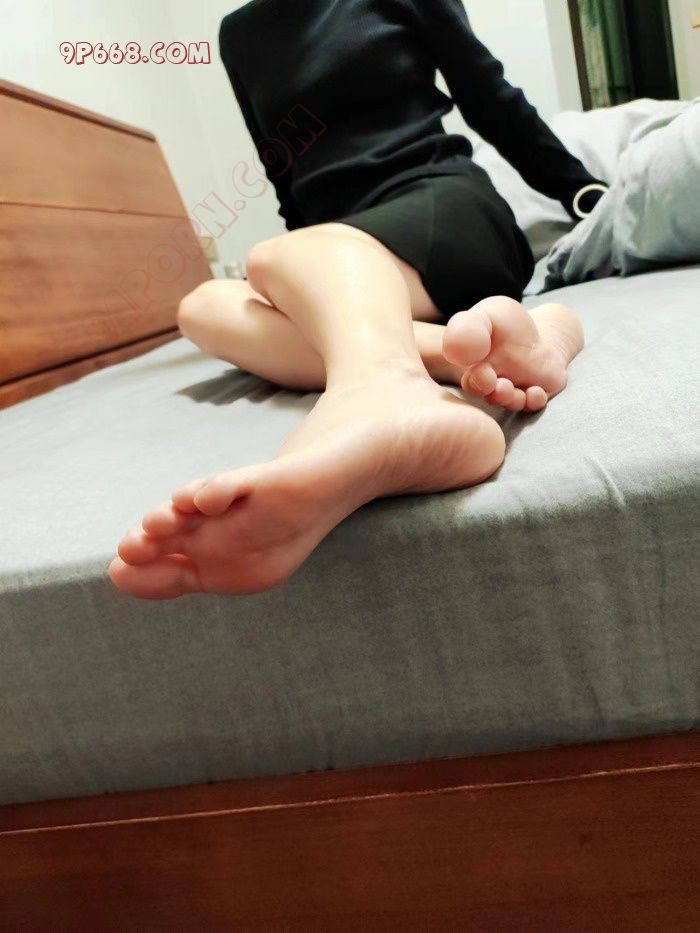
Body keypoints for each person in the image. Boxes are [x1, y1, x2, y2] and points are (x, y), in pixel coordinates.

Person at [109, 0, 607, 599]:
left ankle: (381, 387)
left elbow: (492, 99)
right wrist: (304, 283)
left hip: (443, 207)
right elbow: (284, 175)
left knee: (270, 257)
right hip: (346, 252)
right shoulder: (237, 34)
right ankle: (475, 351)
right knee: (203, 306)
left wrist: (583, 193)